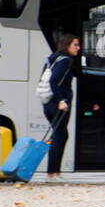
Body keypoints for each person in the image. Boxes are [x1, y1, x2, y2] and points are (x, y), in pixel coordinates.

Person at [43, 33, 78, 180]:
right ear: (67, 45)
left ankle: (55, 172)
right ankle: (51, 173)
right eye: (75, 45)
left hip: (48, 103)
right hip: (58, 104)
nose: (78, 48)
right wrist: (61, 100)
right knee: (59, 136)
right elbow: (53, 81)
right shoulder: (64, 61)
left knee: (62, 135)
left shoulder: (53, 59)